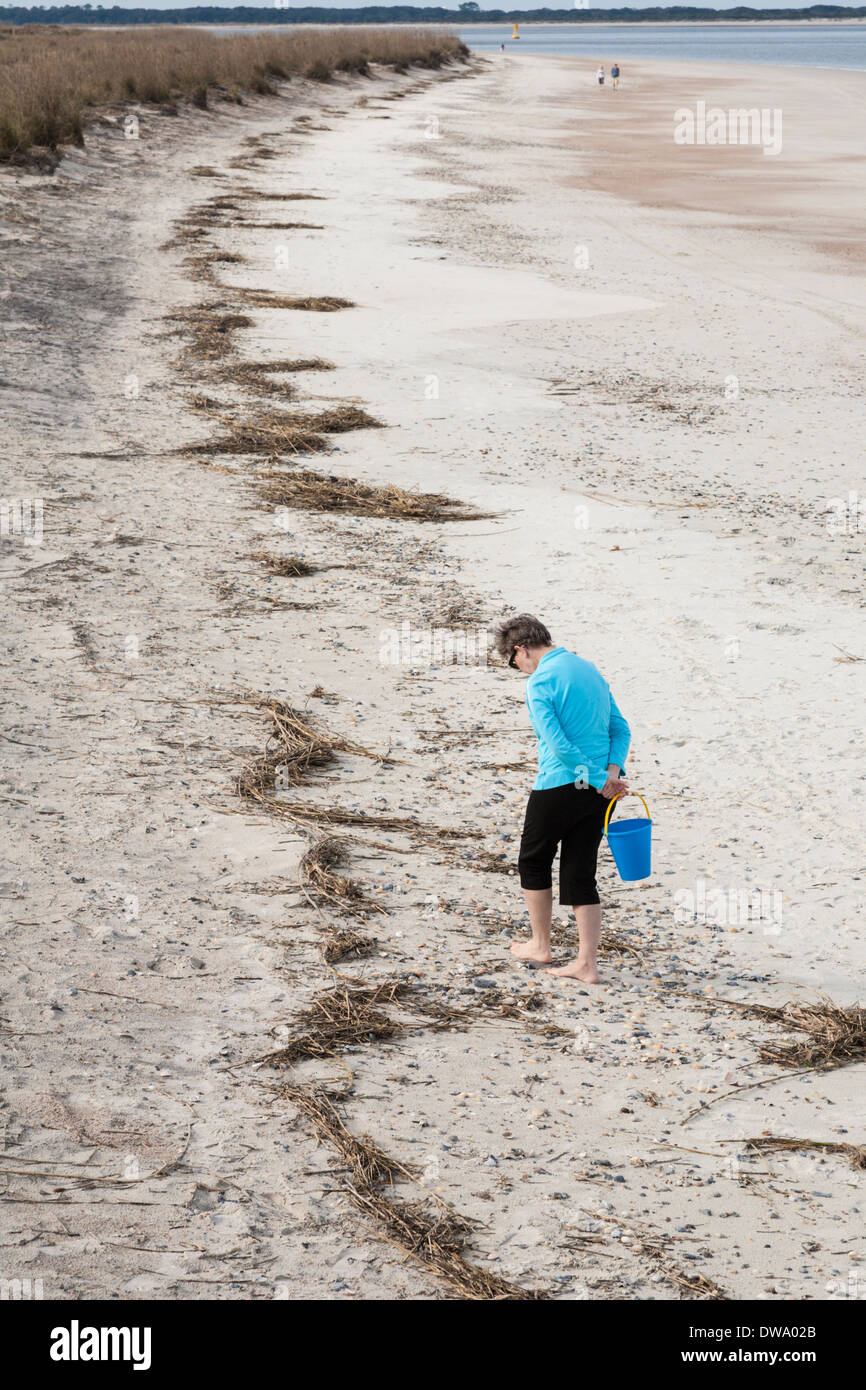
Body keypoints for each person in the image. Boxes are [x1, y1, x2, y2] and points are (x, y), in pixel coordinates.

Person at [492, 615, 631, 984]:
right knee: (579, 870)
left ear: (521, 649)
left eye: (513, 661)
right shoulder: (589, 669)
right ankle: (587, 964)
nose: (518, 668)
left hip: (561, 784)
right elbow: (620, 727)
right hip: (602, 791)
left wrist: (599, 777)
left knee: (533, 860)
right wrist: (612, 775)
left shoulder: (540, 681)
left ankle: (541, 945)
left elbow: (559, 746)